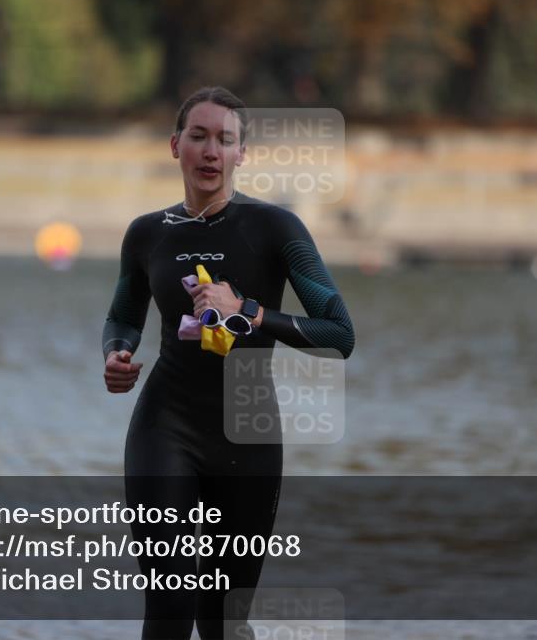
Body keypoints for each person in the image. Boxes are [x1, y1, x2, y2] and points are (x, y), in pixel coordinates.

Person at [102, 86, 354, 639]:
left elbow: (340, 335)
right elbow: (123, 317)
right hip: (165, 426)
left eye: (225, 139)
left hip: (248, 435)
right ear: (176, 145)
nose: (211, 151)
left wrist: (249, 311)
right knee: (169, 607)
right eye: (199, 136)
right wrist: (116, 354)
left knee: (223, 621)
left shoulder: (276, 230)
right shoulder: (147, 234)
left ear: (243, 153)